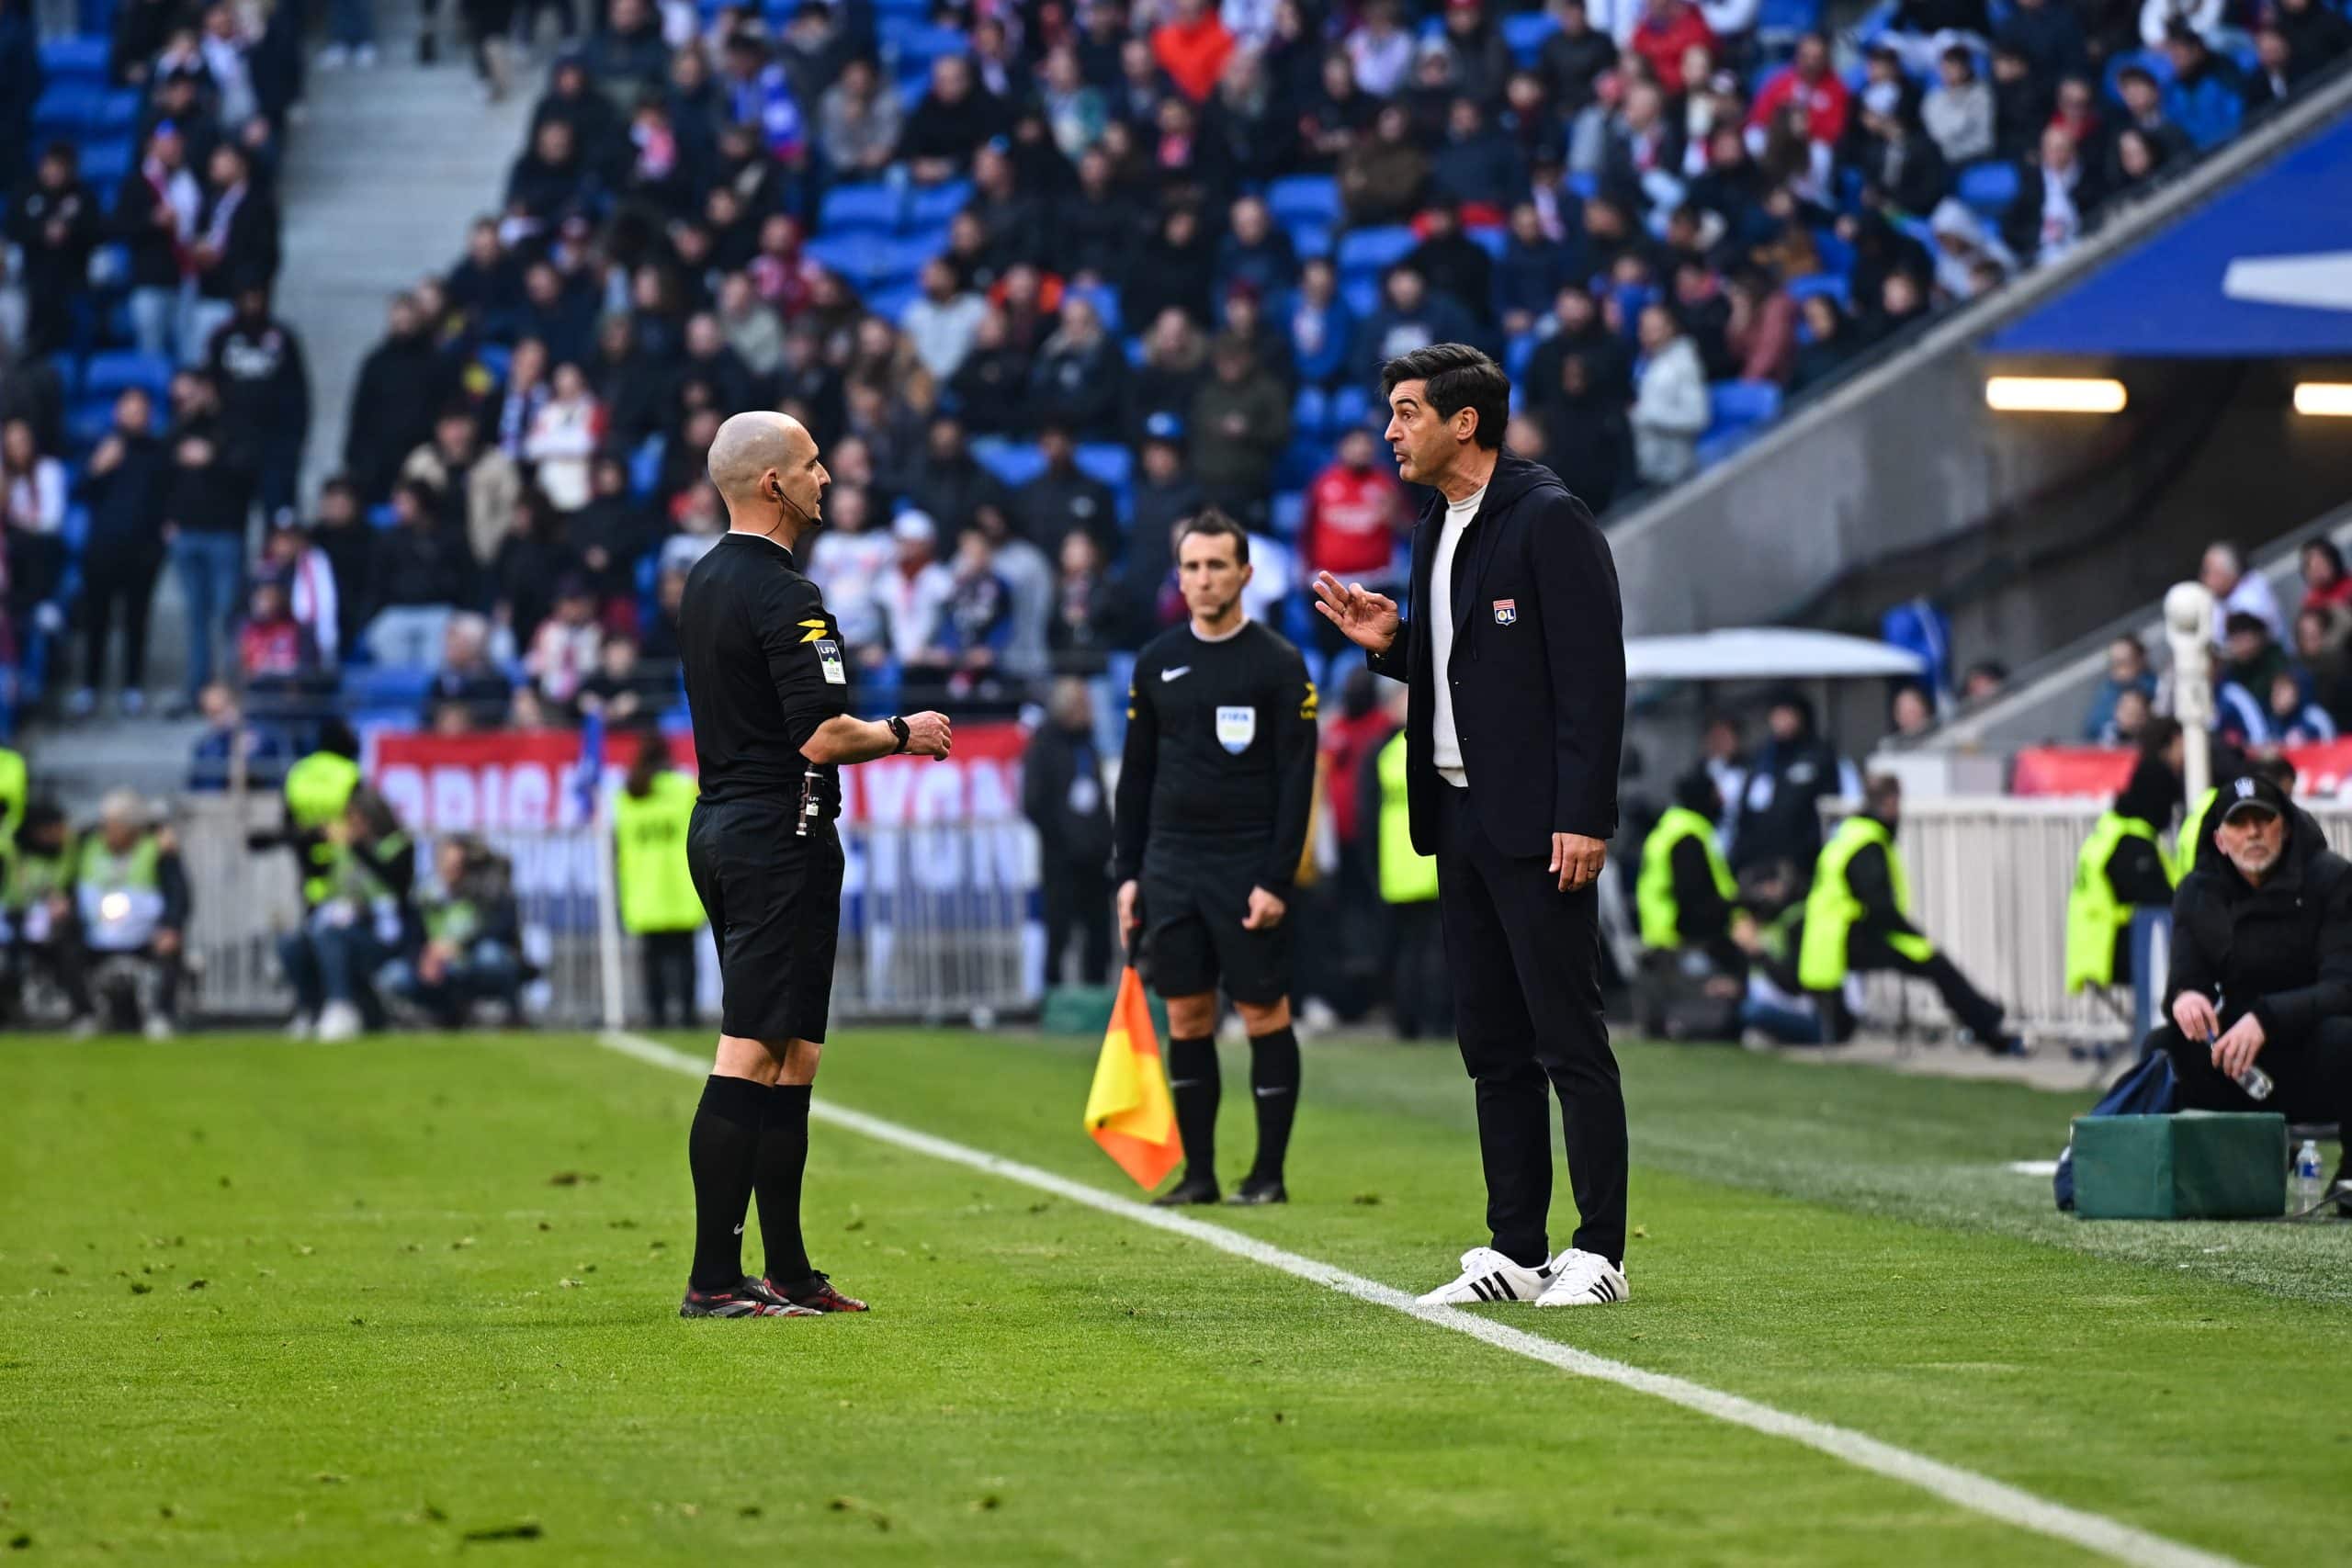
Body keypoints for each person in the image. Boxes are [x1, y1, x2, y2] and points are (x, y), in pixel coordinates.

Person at [1312, 342, 1630, 1309]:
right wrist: (1395, 644)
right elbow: (1475, 669)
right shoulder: (1432, 528)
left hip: (1539, 828)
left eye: (1406, 411)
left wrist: (1583, 814)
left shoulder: (1549, 519)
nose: (1389, 431)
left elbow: (1590, 680)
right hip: (1456, 817)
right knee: (1489, 1042)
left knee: (1566, 1037)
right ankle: (1516, 1249)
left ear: (1464, 422)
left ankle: (1601, 1252)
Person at [673, 410, 953, 1320]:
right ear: (773, 485)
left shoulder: (703, 581)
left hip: (727, 825)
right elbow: (822, 734)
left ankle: (786, 1270)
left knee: (793, 1056)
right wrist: (903, 733)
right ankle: (714, 1280)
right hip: (775, 837)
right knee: (753, 1048)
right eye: (812, 464)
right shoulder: (784, 594)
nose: (826, 477)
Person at [1114, 511, 1317, 1207]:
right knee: (1187, 1017)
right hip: (1170, 866)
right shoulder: (1156, 661)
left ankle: (1268, 1174)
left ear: (1245, 575)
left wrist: (1276, 877)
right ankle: (1198, 1173)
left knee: (1264, 1012)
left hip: (1245, 864)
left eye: (1216, 566)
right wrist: (1129, 874)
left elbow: (1298, 780)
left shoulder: (1279, 664)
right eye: (1192, 566)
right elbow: (1135, 777)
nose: (1203, 579)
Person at [2156, 773, 2352, 1213]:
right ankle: (2168, 1176)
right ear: (2220, 840)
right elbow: (2185, 978)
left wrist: (2266, 1018)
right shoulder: (2198, 891)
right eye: (2240, 824)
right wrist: (2187, 997)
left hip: (2314, 1054)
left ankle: (2349, 1178)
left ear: (2284, 825)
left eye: (2262, 821)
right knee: (2162, 1051)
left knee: (2347, 1038)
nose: (2253, 833)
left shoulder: (2331, 880)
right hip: (2240, 1065)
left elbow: (2344, 987)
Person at [1796, 773, 2022, 1053]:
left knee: (1930, 960)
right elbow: (1879, 907)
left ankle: (1988, 1019)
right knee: (1935, 962)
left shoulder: (1847, 833)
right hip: (1848, 935)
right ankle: (1990, 1026)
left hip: (1826, 938)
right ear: (1890, 802)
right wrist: (1913, 934)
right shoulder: (1867, 842)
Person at [277, 786, 415, 1042]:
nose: (350, 824)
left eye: (355, 818)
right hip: (348, 926)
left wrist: (355, 847)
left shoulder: (399, 845)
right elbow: (320, 879)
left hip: (383, 934)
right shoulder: (342, 851)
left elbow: (393, 880)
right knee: (292, 943)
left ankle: (341, 1006)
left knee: (332, 936)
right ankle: (311, 1010)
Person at [2064, 726, 2180, 994]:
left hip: (2095, 948)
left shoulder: (2113, 832)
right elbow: (2160, 899)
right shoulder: (2131, 845)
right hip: (2115, 949)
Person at [74, 790, 192, 1039]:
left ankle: (161, 1015)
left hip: (144, 935)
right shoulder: (88, 846)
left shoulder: (158, 849)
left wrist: (171, 926)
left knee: (171, 946)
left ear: (131, 829)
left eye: (114, 826)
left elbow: (178, 894)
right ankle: (86, 1014)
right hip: (96, 933)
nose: (108, 831)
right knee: (63, 942)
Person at [1023, 678, 1115, 989]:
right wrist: (1064, 838)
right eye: (1082, 705)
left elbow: (1099, 797)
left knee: (1099, 931)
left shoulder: (1088, 743)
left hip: (1094, 858)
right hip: (1060, 858)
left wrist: (1104, 841)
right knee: (1058, 930)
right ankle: (1053, 993)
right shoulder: (1044, 745)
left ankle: (1096, 992)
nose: (1088, 711)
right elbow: (1033, 802)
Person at [613, 728, 705, 1030]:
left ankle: (657, 1015)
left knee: (652, 957)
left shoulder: (628, 794)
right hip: (681, 886)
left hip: (645, 888)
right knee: (685, 956)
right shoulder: (683, 788)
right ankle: (688, 1015)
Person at [382, 836, 524, 1025]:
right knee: (392, 976)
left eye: (458, 865)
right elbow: (409, 938)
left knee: (490, 955)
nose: (452, 870)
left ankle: (495, 1010)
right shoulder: (423, 895)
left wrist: (460, 947)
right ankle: (422, 1015)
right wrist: (424, 956)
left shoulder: (486, 891)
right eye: (446, 863)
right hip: (432, 963)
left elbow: (500, 927)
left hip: (469, 959)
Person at [5, 803, 94, 1031]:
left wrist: (63, 902)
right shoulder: (11, 850)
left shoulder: (70, 848)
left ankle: (80, 1009)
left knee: (70, 950)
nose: (61, 833)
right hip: (15, 915)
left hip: (56, 919)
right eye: (55, 828)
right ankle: (10, 1009)